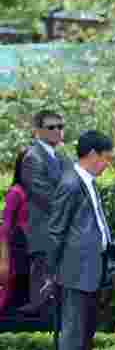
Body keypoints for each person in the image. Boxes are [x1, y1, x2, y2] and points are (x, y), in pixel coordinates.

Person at [47, 130, 115, 350]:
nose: (108, 164)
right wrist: (53, 272)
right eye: (106, 158)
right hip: (74, 271)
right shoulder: (71, 183)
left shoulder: (87, 182)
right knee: (73, 330)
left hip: (90, 269)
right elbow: (56, 231)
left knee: (85, 332)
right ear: (92, 155)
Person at [20, 109, 68, 316]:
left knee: (58, 300)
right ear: (38, 131)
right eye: (51, 127)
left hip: (61, 234)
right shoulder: (33, 158)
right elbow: (47, 197)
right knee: (42, 303)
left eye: (60, 126)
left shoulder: (62, 157)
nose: (57, 131)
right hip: (45, 234)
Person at [0, 151, 31, 313]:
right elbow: (4, 229)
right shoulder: (16, 192)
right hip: (17, 256)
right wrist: (4, 261)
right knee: (12, 303)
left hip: (33, 256)